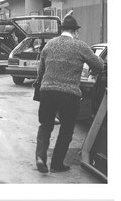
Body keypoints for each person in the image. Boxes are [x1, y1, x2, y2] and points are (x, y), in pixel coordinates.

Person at [34, 15, 104, 173]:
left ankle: (40, 157)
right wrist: (93, 69)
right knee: (66, 129)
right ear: (75, 31)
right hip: (69, 94)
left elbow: (40, 71)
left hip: (47, 92)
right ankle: (57, 165)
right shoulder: (80, 45)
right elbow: (98, 65)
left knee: (45, 125)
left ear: (62, 30)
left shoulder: (49, 45)